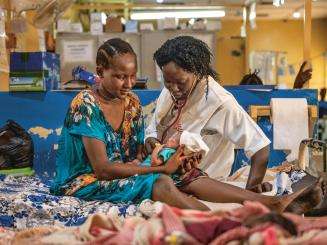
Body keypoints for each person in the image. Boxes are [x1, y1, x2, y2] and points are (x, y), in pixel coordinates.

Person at [51, 38, 321, 213]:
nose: (129, 84)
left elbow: (136, 155)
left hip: (124, 173)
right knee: (163, 182)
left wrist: (164, 155)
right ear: (100, 73)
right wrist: (158, 160)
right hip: (87, 181)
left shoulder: (132, 102)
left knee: (180, 168)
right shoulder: (85, 105)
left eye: (132, 77)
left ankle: (266, 203)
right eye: (120, 77)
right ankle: (227, 219)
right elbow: (103, 169)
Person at [145, 36, 271, 193]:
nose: (174, 89)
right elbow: (155, 127)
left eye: (181, 83)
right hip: (167, 178)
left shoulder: (220, 103)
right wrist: (151, 140)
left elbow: (260, 147)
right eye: (168, 81)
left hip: (203, 185)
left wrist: (251, 191)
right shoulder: (169, 91)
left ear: (197, 72)